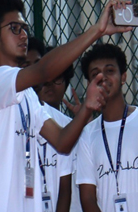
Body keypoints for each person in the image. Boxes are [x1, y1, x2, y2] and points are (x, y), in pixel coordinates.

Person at [0, 0, 132, 212]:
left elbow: (62, 142)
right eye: (14, 28)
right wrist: (97, 31)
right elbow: (44, 70)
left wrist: (87, 107)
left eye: (25, 28)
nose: (24, 35)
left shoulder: (27, 95)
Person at [75, 43, 138, 212]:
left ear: (123, 77)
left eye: (110, 71)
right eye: (95, 74)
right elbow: (87, 197)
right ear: (89, 84)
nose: (102, 77)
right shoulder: (88, 134)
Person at [25, 38, 85, 212]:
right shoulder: (13, 120)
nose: (49, 83)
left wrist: (86, 121)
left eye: (57, 78)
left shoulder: (70, 126)